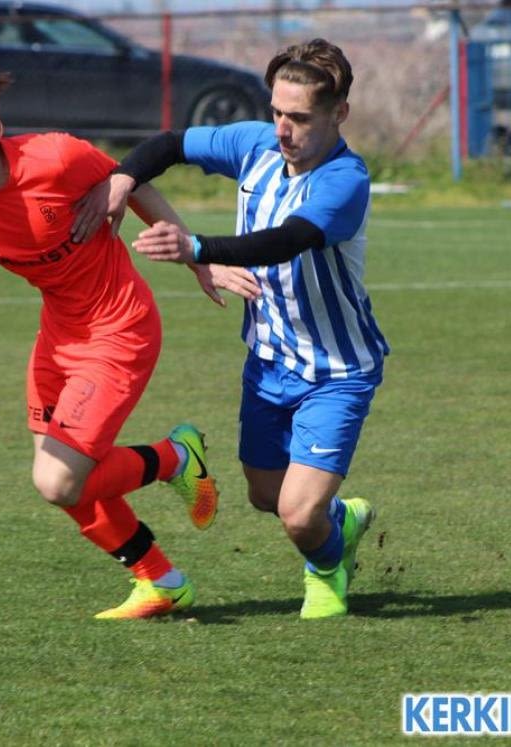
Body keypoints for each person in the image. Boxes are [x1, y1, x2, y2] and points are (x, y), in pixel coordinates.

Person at [74, 39, 389, 619]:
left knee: (297, 514)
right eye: (277, 112)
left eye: (300, 118)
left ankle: (327, 569)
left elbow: (288, 239)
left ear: (338, 114)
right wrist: (121, 179)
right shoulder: (256, 143)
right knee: (266, 496)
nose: (283, 130)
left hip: (337, 370)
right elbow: (169, 145)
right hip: (268, 362)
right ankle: (340, 519)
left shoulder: (345, 179)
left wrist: (196, 249)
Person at [0, 69, 226, 620]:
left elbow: (134, 181)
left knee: (57, 480)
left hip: (120, 329)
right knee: (65, 479)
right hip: (58, 336)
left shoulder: (56, 157)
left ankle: (176, 457)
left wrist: (196, 255)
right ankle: (162, 581)